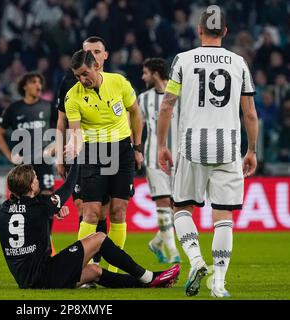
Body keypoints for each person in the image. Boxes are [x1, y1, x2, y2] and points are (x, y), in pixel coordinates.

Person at [157, 8, 258, 298]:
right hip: (228, 146)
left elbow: (167, 105)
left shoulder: (183, 61)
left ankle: (197, 261)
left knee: (182, 209)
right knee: (223, 215)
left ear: (199, 29)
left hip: (191, 145)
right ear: (225, 32)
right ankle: (219, 284)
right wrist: (251, 150)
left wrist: (162, 145)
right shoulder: (238, 62)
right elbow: (249, 113)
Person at [0, 162, 180, 289]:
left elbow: (27, 218)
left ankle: (149, 283)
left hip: (26, 280)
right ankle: (148, 277)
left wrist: (52, 210)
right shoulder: (41, 206)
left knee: (94, 271)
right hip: (45, 274)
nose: (38, 180)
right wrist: (77, 162)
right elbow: (67, 188)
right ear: (30, 186)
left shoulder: (4, 210)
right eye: (35, 179)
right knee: (99, 238)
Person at [64, 49, 143, 273]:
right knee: (91, 213)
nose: (82, 80)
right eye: (77, 76)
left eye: (85, 74)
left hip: (122, 150)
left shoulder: (119, 82)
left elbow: (136, 112)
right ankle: (82, 268)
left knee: (118, 211)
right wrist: (73, 144)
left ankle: (113, 271)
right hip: (93, 152)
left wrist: (137, 147)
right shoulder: (73, 96)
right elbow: (76, 131)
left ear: (96, 66)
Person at [55, 36, 110, 271]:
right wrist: (60, 155)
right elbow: (61, 122)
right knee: (84, 208)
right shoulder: (70, 82)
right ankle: (82, 264)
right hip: (79, 153)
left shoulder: (114, 82)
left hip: (109, 153)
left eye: (97, 52)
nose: (93, 56)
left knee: (103, 211)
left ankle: (97, 261)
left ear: (104, 55)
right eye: (89, 52)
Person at [138, 58, 181, 264]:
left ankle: (157, 242)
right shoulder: (143, 99)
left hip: (179, 158)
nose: (142, 77)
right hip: (153, 157)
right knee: (163, 201)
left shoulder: (178, 95)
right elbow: (136, 128)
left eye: (145, 73)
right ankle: (172, 251)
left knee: (177, 204)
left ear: (155, 74)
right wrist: (136, 149)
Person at [0, 72, 55, 195]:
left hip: (44, 161)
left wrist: (54, 146)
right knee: (23, 197)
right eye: (34, 82)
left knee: (47, 197)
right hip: (23, 162)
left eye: (40, 82)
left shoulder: (48, 106)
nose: (38, 85)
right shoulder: (14, 109)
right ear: (24, 86)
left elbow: (63, 126)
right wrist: (10, 155)